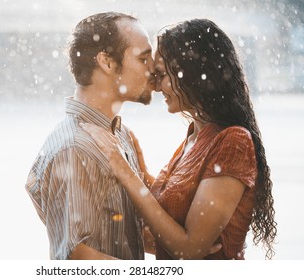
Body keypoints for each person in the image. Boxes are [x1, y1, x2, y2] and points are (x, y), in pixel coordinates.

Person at [81, 18, 277, 260]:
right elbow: (166, 233)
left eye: (162, 74)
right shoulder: (195, 135)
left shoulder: (233, 141)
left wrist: (126, 172)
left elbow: (188, 251)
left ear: (194, 73)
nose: (155, 86)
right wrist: (138, 171)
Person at [25, 12, 156, 260]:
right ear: (106, 62)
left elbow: (128, 233)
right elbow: (76, 258)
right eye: (143, 58)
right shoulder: (74, 148)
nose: (154, 69)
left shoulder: (119, 134)